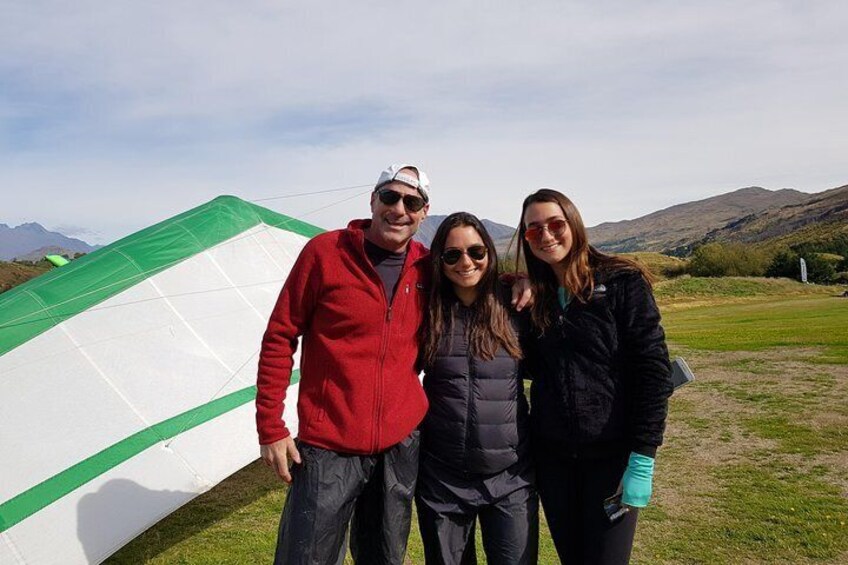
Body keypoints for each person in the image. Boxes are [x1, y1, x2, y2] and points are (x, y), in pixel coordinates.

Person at [256, 164, 432, 565]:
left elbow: (477, 279)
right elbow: (280, 336)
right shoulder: (325, 252)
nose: (399, 209)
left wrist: (519, 281)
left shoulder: (428, 266)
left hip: (398, 445)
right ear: (372, 200)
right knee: (307, 558)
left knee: (385, 556)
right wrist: (270, 425)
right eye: (389, 197)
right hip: (328, 446)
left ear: (424, 212)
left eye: (412, 201)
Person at [516, 188, 674, 564]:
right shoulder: (537, 297)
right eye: (533, 230)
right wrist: (513, 284)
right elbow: (532, 367)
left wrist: (643, 458)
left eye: (555, 224)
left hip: (612, 459)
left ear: (574, 223)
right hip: (554, 461)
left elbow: (652, 370)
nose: (547, 235)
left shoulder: (622, 282)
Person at [416, 212, 538, 565]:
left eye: (476, 251)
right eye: (452, 255)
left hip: (511, 476)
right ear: (439, 260)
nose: (465, 262)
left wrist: (527, 279)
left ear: (489, 253)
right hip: (443, 480)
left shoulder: (516, 306)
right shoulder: (426, 309)